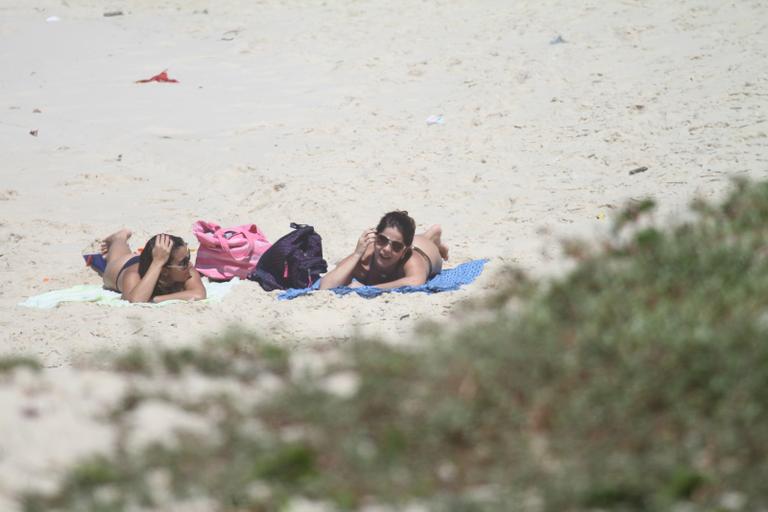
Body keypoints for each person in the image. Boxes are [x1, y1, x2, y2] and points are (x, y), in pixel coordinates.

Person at [319, 211, 449, 290]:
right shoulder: (365, 257)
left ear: (404, 251)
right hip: (409, 241)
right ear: (375, 237)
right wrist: (357, 253)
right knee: (405, 237)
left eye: (396, 247)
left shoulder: (411, 260)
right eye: (382, 240)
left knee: (425, 241)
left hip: (425, 251)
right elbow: (326, 286)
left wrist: (368, 288)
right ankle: (432, 234)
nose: (386, 249)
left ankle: (433, 237)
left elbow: (416, 282)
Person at [99, 229, 206, 303]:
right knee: (116, 258)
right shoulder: (133, 275)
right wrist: (157, 262)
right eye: (183, 262)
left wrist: (156, 299)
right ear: (164, 271)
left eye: (188, 257)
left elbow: (199, 294)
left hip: (153, 262)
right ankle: (119, 238)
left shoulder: (186, 270)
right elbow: (135, 300)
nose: (190, 264)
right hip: (122, 267)